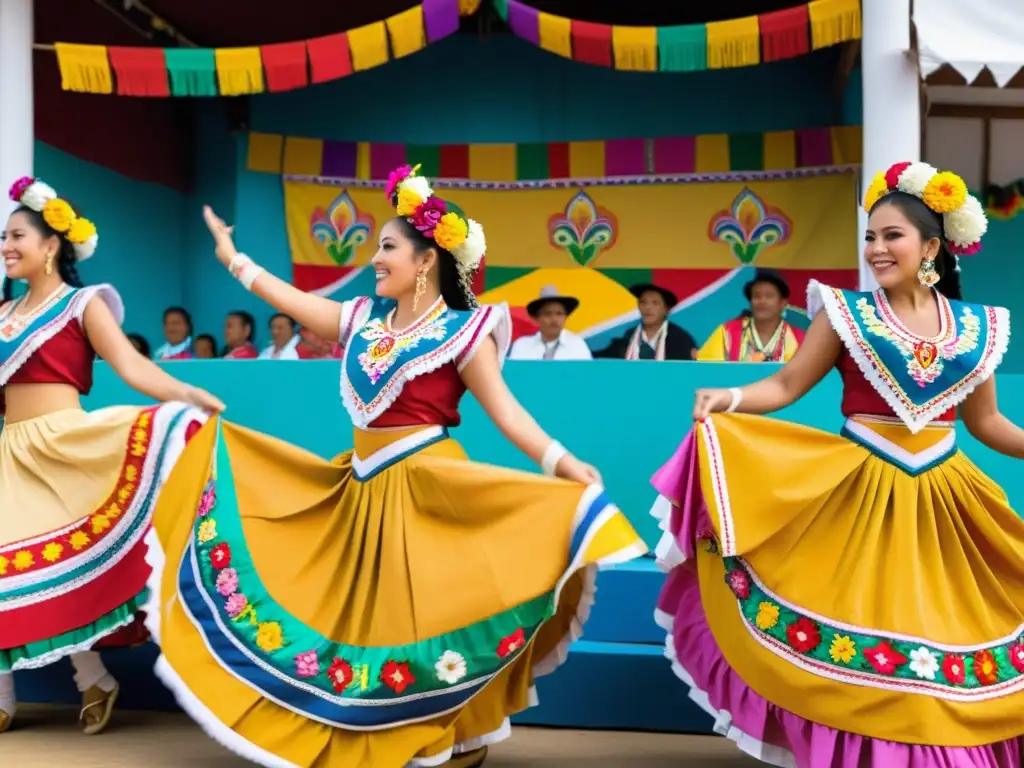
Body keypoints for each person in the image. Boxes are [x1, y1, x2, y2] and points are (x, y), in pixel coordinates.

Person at [145, 165, 646, 768]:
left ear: (426, 260)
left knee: (432, 624)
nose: (376, 259)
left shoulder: (465, 331)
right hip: (358, 489)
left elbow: (508, 413)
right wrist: (231, 255)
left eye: (387, 248)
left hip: (426, 487)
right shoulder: (359, 321)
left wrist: (564, 463)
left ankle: (456, 734)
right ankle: (388, 732)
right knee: (365, 628)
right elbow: (287, 298)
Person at [649, 162, 1024, 765]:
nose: (876, 249)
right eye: (870, 237)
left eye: (891, 236)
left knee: (943, 640)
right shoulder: (846, 313)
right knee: (859, 638)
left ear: (931, 246)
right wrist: (732, 399)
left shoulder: (978, 327)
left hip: (944, 503)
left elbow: (987, 424)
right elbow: (788, 384)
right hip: (859, 492)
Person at [0, 177, 223, 736]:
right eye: (4, 236)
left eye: (17, 235)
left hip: (65, 448)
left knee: (72, 569)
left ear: (51, 245)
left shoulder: (82, 303)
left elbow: (132, 367)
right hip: (11, 450)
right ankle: (16, 691)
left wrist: (189, 396)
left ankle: (92, 678)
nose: (6, 245)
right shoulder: (3, 311)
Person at [697, 268, 804, 362]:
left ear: (783, 303)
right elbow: (706, 372)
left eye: (769, 296)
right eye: (757, 296)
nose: (762, 301)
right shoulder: (727, 333)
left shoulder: (800, 340)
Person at [593, 284, 697, 360]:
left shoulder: (680, 339)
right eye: (643, 302)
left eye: (655, 303)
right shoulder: (629, 336)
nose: (648, 307)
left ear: (666, 309)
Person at [508, 286, 592, 361]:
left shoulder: (577, 345)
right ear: (537, 318)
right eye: (548, 314)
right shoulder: (522, 346)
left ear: (565, 317)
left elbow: (587, 376)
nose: (554, 319)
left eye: (559, 313)